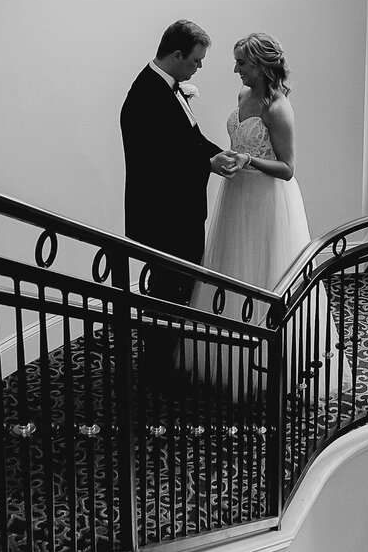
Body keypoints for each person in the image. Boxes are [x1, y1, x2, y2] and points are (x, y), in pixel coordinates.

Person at [188, 33, 351, 401]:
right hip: (237, 195)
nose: (235, 70)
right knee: (233, 267)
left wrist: (248, 161)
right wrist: (231, 159)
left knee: (267, 271)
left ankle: (270, 363)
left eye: (241, 64)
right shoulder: (243, 96)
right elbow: (239, 143)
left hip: (267, 199)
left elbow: (288, 168)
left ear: (261, 65)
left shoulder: (277, 108)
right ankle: (228, 356)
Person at [120, 21, 238, 379]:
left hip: (179, 211)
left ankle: (164, 357)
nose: (198, 68)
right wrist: (207, 164)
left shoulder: (167, 88)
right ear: (176, 55)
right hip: (163, 215)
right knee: (168, 291)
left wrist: (220, 157)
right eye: (195, 61)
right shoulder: (146, 95)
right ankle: (156, 367)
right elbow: (157, 162)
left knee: (176, 286)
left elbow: (189, 139)